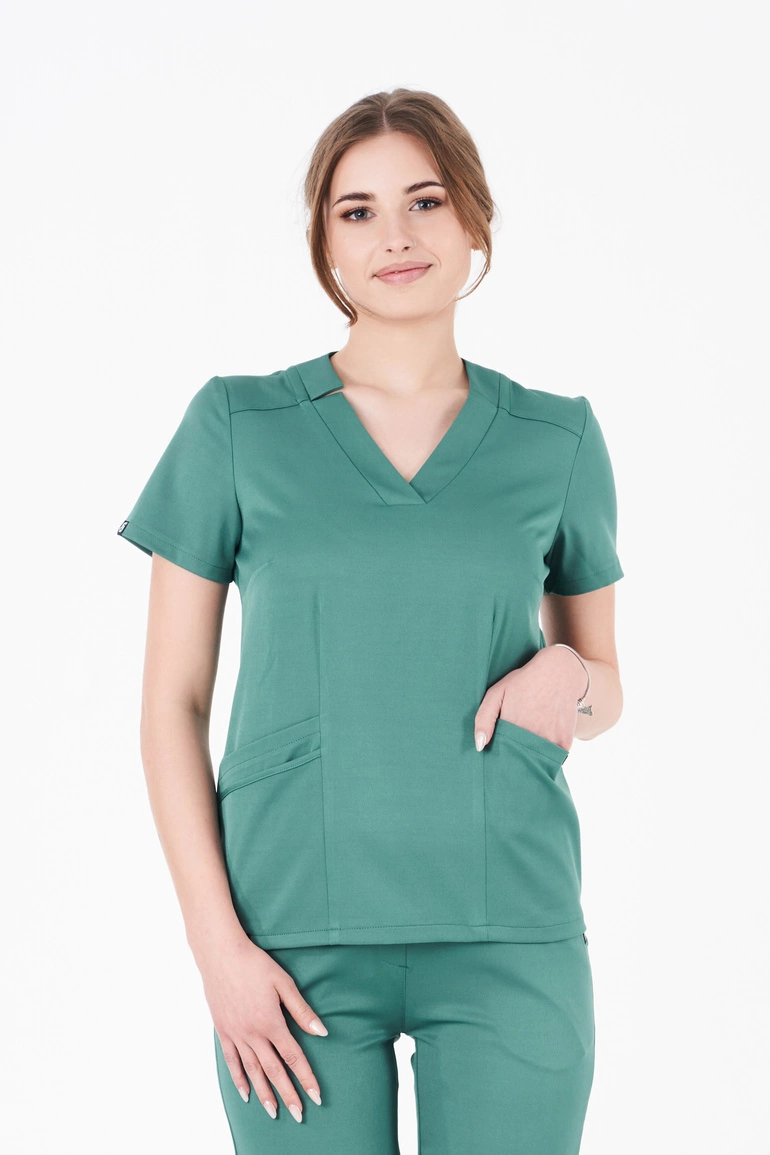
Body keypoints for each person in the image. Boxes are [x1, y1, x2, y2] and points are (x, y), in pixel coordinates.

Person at [117, 87, 625, 1154]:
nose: (394, 235)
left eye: (424, 201)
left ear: (473, 219)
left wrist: (569, 676)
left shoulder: (557, 440)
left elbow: (606, 682)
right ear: (325, 245)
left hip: (509, 928)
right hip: (287, 946)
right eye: (357, 211)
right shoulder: (235, 426)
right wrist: (217, 952)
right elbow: (172, 705)